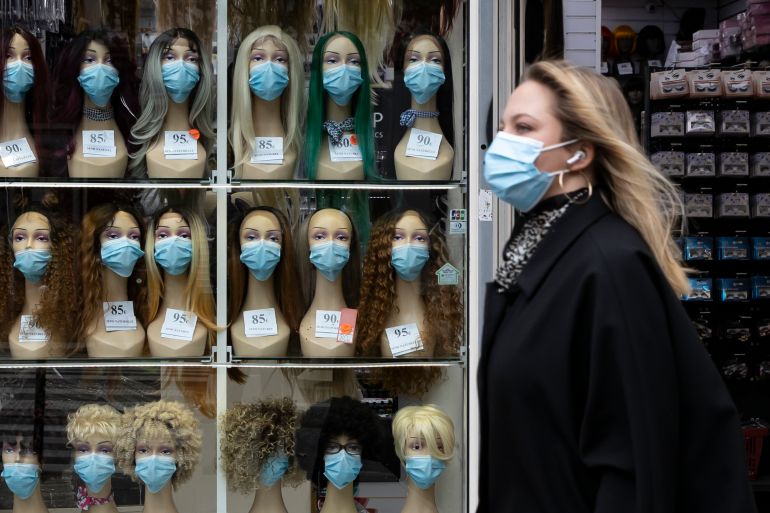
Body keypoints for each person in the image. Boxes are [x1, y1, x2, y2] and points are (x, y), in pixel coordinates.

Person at [479, 60, 756, 513]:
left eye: (523, 127)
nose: (501, 143)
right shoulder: (536, 248)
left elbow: (631, 465)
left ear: (579, 153)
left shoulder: (608, 264)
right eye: (503, 128)